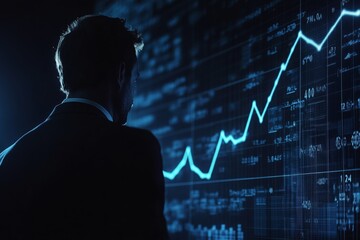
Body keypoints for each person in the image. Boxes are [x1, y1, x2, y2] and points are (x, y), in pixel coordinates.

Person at [0, 15, 170, 239]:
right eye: (134, 79)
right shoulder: (135, 149)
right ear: (120, 74)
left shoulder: (9, 157)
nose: (133, 98)